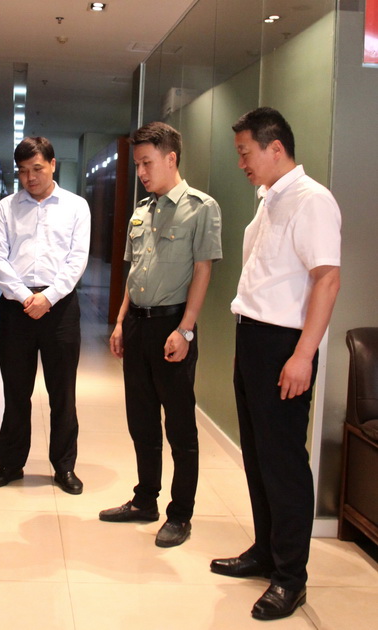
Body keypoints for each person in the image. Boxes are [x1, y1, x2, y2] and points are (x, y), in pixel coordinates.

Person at [210, 107, 341, 621]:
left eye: (245, 153)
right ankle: (265, 551)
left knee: (284, 464)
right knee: (259, 457)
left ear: (276, 148)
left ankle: (291, 578)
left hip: (285, 345)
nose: (241, 163)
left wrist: (303, 355)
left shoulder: (312, 201)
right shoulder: (269, 201)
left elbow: (327, 279)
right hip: (254, 340)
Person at [99, 122, 222, 547]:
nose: (141, 173)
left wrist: (185, 330)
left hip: (173, 327)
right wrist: (120, 322)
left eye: (147, 163)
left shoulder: (201, 208)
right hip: (137, 325)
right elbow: (134, 272)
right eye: (137, 165)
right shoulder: (141, 210)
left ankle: (180, 514)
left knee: (181, 428)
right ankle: (144, 500)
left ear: (171, 158)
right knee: (141, 420)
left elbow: (203, 271)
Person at [0, 136, 90, 495]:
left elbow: (77, 259)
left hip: (60, 309)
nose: (29, 178)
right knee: (16, 391)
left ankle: (64, 467)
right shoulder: (6, 208)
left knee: (63, 393)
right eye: (22, 171)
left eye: (37, 169)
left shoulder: (76, 207)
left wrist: (48, 297)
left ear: (52, 164)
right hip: (16, 309)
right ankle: (10, 464)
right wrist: (24, 296)